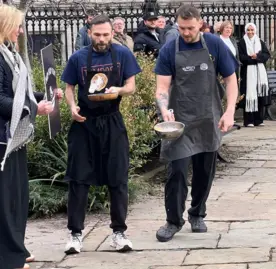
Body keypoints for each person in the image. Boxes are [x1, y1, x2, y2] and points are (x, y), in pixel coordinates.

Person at [154, 4, 238, 242]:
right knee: (176, 171)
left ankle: (197, 213)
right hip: (179, 120)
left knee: (205, 171)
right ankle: (173, 221)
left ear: (200, 24)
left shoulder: (214, 45)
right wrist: (163, 109)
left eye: (190, 28)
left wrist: (230, 111)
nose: (186, 32)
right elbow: (161, 88)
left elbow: (231, 80)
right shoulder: (170, 49)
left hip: (208, 117)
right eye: (182, 28)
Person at [61, 14, 142, 254]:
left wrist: (119, 90)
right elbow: (68, 88)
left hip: (112, 121)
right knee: (78, 180)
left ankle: (119, 233)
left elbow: (131, 86)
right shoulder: (78, 58)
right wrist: (72, 108)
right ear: (89, 33)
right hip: (84, 123)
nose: (102, 39)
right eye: (97, 35)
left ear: (111, 33)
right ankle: (75, 235)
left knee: (118, 179)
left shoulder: (122, 54)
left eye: (106, 34)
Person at [0, 5, 62, 269]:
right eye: (18, 25)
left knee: (18, 196)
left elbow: (20, 93)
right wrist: (36, 108)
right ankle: (8, 257)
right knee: (5, 200)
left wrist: (43, 97)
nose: (21, 31)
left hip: (15, 138)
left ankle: (17, 247)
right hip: (3, 141)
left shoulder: (10, 54)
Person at [237, 23, 270, 127]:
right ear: (245, 31)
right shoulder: (241, 43)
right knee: (249, 95)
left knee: (259, 96)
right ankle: (249, 120)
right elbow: (241, 57)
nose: (250, 32)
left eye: (252, 30)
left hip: (260, 75)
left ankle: (259, 120)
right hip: (247, 74)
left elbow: (266, 55)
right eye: (248, 30)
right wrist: (253, 59)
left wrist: (257, 56)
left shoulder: (260, 42)